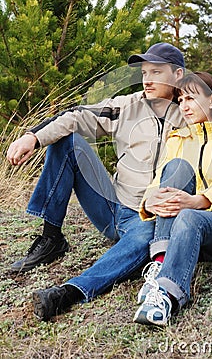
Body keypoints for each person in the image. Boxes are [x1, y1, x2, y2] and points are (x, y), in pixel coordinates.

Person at [6, 42, 186, 321]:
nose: (147, 79)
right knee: (69, 139)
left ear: (177, 76)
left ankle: (70, 292)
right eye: (145, 72)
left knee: (145, 237)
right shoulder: (126, 106)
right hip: (111, 205)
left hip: (148, 217)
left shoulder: (192, 116)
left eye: (156, 72)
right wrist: (33, 137)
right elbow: (75, 117)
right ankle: (51, 238)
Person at [133, 71, 212, 326]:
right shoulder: (179, 139)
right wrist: (149, 201)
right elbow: (158, 181)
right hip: (183, 228)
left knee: (189, 217)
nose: (184, 106)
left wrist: (198, 201)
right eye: (180, 100)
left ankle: (166, 295)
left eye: (191, 98)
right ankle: (160, 262)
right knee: (176, 168)